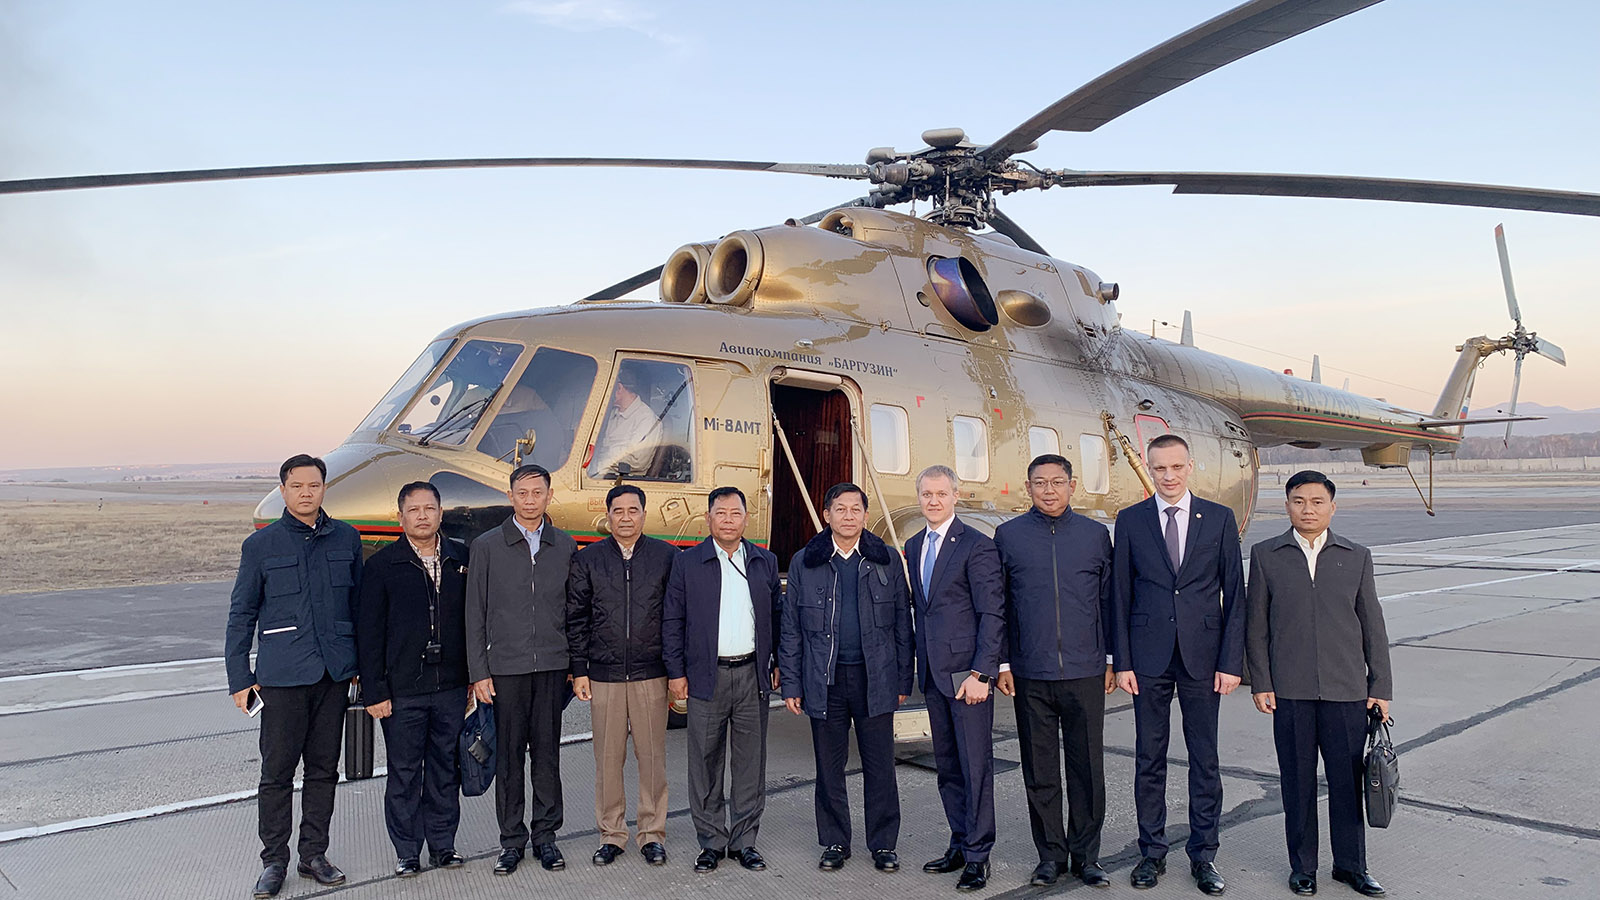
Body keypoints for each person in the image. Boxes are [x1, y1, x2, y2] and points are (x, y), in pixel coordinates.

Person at [1247, 470, 1392, 898]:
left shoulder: (1356, 555)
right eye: (1298, 501)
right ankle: (1303, 867)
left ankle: (1351, 866)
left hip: (1347, 691)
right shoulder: (1266, 555)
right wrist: (1261, 681)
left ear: (1332, 506)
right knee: (1297, 781)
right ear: (1286, 504)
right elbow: (1255, 626)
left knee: (1347, 783)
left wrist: (1379, 686)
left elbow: (1373, 626)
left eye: (1316, 501)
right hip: (1289, 691)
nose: (1307, 509)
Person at [1111, 434, 1244, 896]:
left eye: (1176, 468)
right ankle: (1151, 852)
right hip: (1147, 659)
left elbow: (1236, 596)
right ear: (1149, 468)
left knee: (1204, 759)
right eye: (1159, 469)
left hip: (1203, 659)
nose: (1168, 477)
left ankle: (1204, 855)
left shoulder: (1220, 519)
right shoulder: (1130, 520)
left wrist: (1231, 662)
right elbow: (1120, 595)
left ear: (1191, 467)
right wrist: (1122, 660)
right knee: (1149, 758)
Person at [224, 454, 362, 899]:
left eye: (315, 485)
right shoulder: (261, 546)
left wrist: (360, 669)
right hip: (281, 677)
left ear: (325, 489)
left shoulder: (346, 538)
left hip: (333, 674)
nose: (307, 492)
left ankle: (313, 854)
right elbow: (241, 613)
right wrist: (239, 676)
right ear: (283, 490)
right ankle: (273, 861)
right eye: (297, 485)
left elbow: (359, 608)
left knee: (324, 770)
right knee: (277, 773)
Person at [778, 482, 914, 873]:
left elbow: (903, 625)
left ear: (865, 516)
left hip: (876, 678)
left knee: (880, 766)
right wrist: (792, 684)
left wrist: (903, 680)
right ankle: (835, 841)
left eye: (856, 509)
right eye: (840, 509)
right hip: (826, 681)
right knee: (829, 766)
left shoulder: (885, 558)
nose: (848, 516)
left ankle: (884, 844)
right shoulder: (807, 561)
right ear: (827, 515)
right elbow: (792, 630)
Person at [994, 455, 1116, 888]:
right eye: (1040, 482)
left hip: (1085, 671)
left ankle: (1087, 856)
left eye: (1058, 482)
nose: (1049, 490)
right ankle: (1050, 855)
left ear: (1073, 485)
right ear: (1027, 487)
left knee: (1087, 768)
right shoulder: (1008, 536)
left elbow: (1108, 602)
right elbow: (1000, 605)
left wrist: (1110, 659)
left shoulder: (1095, 535)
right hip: (1030, 671)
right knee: (1040, 769)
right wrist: (1004, 662)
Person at [662, 487, 783, 874]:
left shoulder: (764, 561)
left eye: (735, 513)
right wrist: (676, 672)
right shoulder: (688, 563)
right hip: (705, 676)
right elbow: (672, 620)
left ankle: (745, 842)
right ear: (708, 518)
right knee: (705, 762)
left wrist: (778, 660)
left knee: (750, 764)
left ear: (746, 519)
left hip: (752, 675)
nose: (728, 520)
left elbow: (778, 619)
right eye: (721, 513)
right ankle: (711, 842)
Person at [465, 464, 578, 876]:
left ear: (549, 496)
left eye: (538, 492)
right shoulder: (488, 546)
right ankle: (511, 841)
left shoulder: (564, 546)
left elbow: (574, 611)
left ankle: (546, 837)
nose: (530, 500)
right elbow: (474, 614)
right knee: (508, 759)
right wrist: (479, 671)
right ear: (510, 496)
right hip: (505, 670)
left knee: (547, 757)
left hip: (551, 667)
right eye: (522, 493)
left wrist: (573, 665)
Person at [355, 481, 470, 877]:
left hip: (452, 687)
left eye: (429, 508)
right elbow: (369, 634)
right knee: (404, 773)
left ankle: (443, 845)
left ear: (441, 512)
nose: (422, 516)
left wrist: (473, 678)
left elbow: (476, 621)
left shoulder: (461, 558)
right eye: (414, 509)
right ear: (400, 516)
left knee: (445, 769)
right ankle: (407, 850)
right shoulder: (382, 566)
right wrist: (375, 690)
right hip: (402, 692)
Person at [566, 484, 679, 867]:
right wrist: (579, 670)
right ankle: (611, 834)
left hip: (651, 674)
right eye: (619, 511)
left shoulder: (666, 557)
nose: (626, 517)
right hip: (605, 675)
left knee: (652, 759)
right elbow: (576, 618)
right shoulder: (589, 559)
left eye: (633, 510)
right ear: (608, 516)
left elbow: (675, 618)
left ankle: (652, 834)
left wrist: (675, 671)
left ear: (644, 515)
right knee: (608, 760)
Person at [905, 465, 1005, 893]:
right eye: (926, 494)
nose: (933, 501)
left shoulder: (977, 547)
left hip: (969, 677)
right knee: (947, 767)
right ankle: (960, 842)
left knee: (975, 767)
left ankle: (979, 856)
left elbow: (992, 613)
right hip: (932, 673)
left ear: (955, 496)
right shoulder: (913, 544)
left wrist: (984, 672)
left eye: (941, 493)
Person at [587, 373, 659, 477]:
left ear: (619, 388)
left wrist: (601, 458)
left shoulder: (646, 418)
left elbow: (637, 461)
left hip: (618, 480)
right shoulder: (611, 413)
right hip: (597, 473)